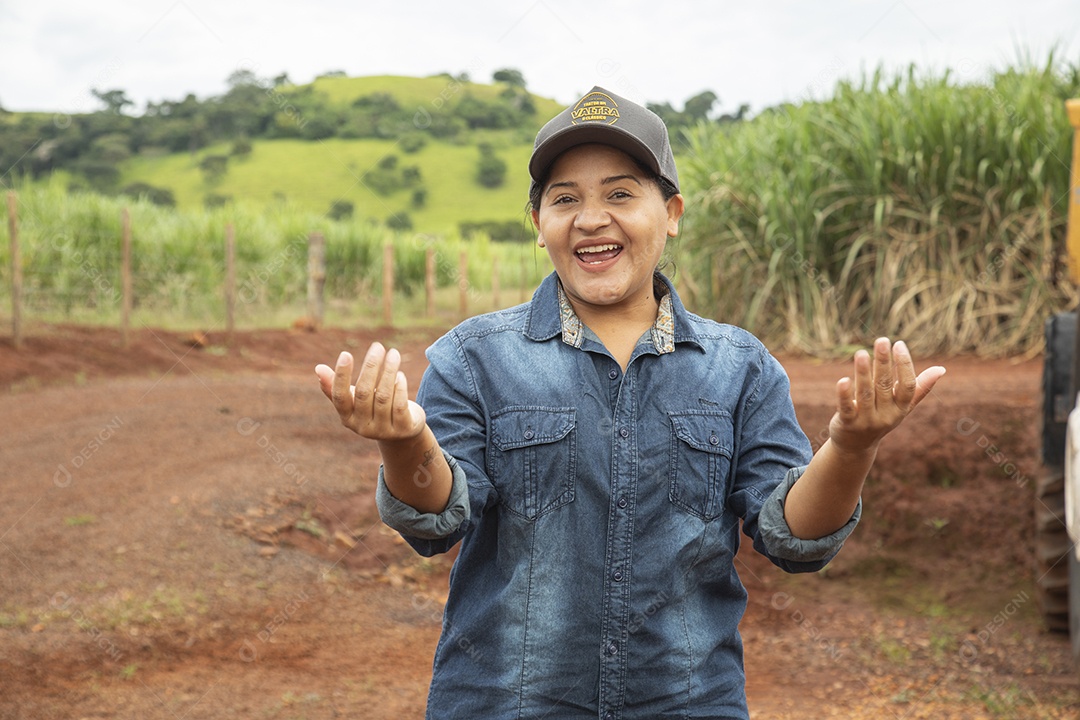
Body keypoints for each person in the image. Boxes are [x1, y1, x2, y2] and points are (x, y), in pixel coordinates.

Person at [315, 86, 945, 719]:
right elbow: (436, 520)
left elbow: (794, 539)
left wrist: (852, 447)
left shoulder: (740, 368)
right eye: (566, 200)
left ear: (670, 212)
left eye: (620, 194)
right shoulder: (473, 358)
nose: (591, 219)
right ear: (539, 226)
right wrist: (402, 441)